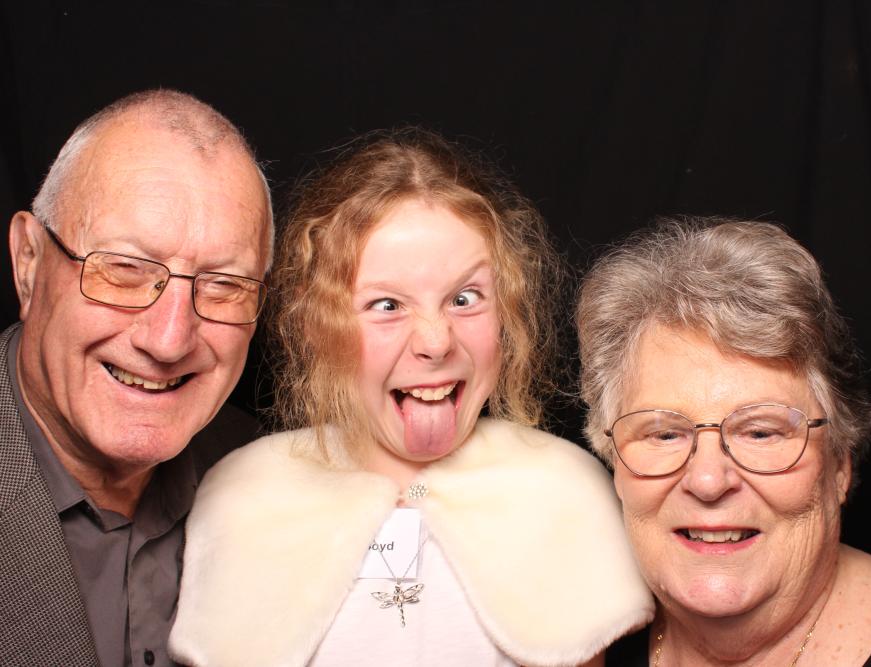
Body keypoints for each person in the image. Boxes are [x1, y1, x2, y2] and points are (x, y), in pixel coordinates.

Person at [169, 128, 653, 666]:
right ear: (315, 324)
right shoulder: (245, 499)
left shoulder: (566, 495)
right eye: (387, 305)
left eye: (464, 299)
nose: (435, 341)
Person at [576, 218, 871, 666]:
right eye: (664, 434)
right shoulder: (566, 637)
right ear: (612, 458)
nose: (707, 480)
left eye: (760, 432)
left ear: (839, 463)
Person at [1, 89, 272, 667]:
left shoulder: (274, 481)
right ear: (29, 263)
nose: (169, 340)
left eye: (224, 285)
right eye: (123, 270)